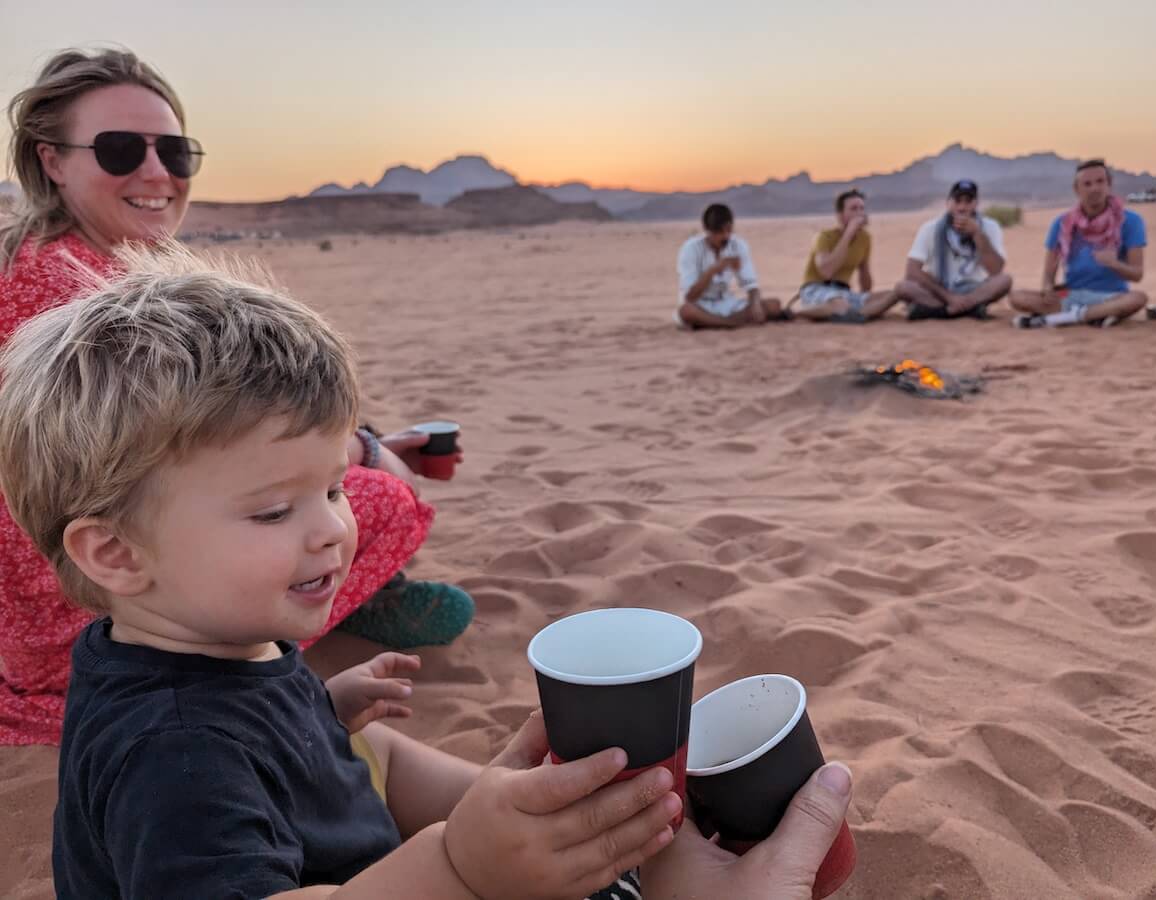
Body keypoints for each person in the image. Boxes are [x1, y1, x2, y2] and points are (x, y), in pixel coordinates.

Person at [0, 243, 853, 898]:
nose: (334, 528)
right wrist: (460, 865)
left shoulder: (222, 643)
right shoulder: (171, 752)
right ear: (114, 553)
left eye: (334, 485)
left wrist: (497, 802)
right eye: (272, 510)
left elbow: (389, 769)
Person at [0, 47, 469, 746]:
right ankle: (345, 605)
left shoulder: (36, 263)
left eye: (176, 153)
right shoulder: (92, 303)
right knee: (381, 498)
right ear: (52, 161)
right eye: (121, 149)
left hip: (49, 587)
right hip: (87, 600)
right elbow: (220, 452)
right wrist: (367, 455)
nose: (157, 173)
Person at [1010, 159, 1148, 328]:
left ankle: (1066, 318)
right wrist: (1048, 289)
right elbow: (1048, 274)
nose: (1094, 188)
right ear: (1077, 189)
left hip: (1111, 295)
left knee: (1138, 298)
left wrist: (1114, 264)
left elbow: (1137, 274)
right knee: (1017, 297)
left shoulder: (1130, 221)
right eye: (1087, 184)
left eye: (1100, 182)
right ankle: (1096, 316)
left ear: (1109, 185)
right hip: (1070, 292)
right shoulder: (1062, 223)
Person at [895, 179, 1012, 319]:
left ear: (976, 204)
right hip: (939, 289)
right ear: (948, 203)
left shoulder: (990, 227)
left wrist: (977, 234)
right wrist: (949, 297)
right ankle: (969, 309)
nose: (962, 207)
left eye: (968, 202)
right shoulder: (930, 228)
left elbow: (996, 270)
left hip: (973, 289)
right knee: (903, 287)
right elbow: (912, 271)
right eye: (957, 201)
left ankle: (943, 311)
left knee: (1005, 281)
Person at [788, 189, 900, 323]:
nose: (859, 213)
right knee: (840, 304)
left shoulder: (865, 238)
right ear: (840, 215)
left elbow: (865, 281)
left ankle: (853, 314)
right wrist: (848, 234)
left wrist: (868, 297)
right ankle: (795, 314)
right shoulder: (824, 237)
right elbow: (827, 271)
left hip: (844, 291)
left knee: (892, 295)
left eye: (862, 209)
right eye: (854, 209)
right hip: (818, 288)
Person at [675, 203, 787, 329]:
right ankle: (731, 323)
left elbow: (751, 284)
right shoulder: (690, 249)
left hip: (727, 303)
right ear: (707, 230)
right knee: (686, 312)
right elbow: (690, 296)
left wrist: (755, 304)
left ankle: (716, 323)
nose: (725, 236)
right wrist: (713, 270)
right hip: (701, 304)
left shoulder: (737, 245)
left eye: (728, 230)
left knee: (774, 305)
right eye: (719, 232)